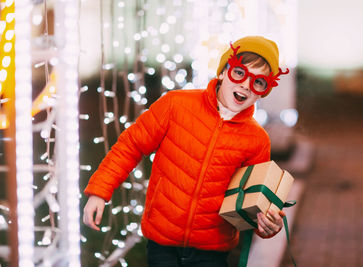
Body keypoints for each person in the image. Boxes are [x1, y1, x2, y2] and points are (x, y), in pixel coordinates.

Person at [83, 36, 289, 267]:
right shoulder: (175, 105)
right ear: (223, 72)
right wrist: (100, 192)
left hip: (212, 252)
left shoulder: (257, 140)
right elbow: (130, 146)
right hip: (162, 243)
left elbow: (254, 200)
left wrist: (268, 223)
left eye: (258, 82)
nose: (245, 85)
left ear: (263, 92)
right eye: (239, 73)